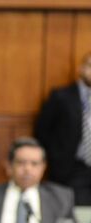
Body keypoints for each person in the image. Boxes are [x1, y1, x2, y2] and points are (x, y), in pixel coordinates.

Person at [35, 53, 91, 205]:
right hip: (71, 169)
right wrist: (54, 159)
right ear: (81, 69)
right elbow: (42, 131)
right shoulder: (61, 96)